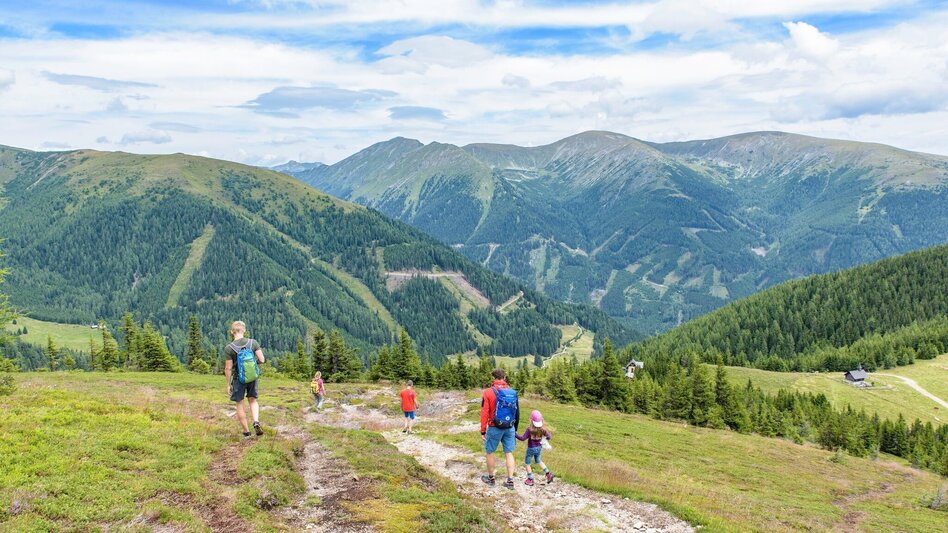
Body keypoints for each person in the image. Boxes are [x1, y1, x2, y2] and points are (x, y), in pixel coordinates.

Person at [480, 368, 520, 489]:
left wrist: (483, 430)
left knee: (490, 451)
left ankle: (491, 479)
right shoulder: (512, 392)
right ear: (504, 377)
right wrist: (515, 428)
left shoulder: (488, 392)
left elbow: (484, 413)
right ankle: (510, 481)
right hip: (510, 426)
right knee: (509, 453)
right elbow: (517, 412)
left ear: (493, 378)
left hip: (494, 426)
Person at [224, 320, 265, 438]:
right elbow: (262, 359)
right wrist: (252, 365)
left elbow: (228, 368)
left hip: (238, 379)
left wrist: (228, 384)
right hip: (252, 377)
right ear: (244, 330)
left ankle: (247, 432)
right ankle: (256, 421)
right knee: (253, 400)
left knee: (239, 403)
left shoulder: (229, 348)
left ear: (232, 332)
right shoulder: (253, 343)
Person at [516, 410, 553, 486]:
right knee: (539, 461)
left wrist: (515, 434)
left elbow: (522, 438)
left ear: (531, 420)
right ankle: (548, 474)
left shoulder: (529, 430)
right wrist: (544, 439)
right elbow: (549, 437)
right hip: (539, 448)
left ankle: (530, 479)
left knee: (527, 463)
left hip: (531, 449)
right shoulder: (543, 430)